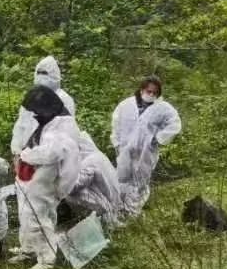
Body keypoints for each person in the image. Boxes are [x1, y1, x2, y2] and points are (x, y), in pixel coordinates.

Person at [12, 86, 81, 269]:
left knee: (37, 214)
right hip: (37, 171)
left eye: (37, 109)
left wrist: (25, 154)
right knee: (26, 211)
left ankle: (46, 259)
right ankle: (29, 248)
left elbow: (51, 153)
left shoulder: (64, 124)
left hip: (51, 173)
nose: (35, 113)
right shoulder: (47, 118)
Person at [111, 76, 182, 216]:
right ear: (142, 89)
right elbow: (116, 124)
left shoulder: (163, 108)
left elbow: (175, 124)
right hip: (125, 150)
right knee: (120, 179)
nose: (151, 94)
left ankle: (131, 213)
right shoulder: (126, 105)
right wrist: (116, 143)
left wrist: (159, 138)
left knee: (140, 184)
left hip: (146, 153)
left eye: (155, 92)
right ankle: (117, 210)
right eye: (149, 91)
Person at [11, 56, 75, 156]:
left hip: (51, 154)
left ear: (54, 75)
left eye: (45, 73)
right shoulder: (33, 97)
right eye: (39, 73)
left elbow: (66, 130)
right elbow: (20, 125)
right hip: (26, 154)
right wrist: (16, 147)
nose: (41, 77)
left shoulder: (64, 99)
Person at [66, 131, 123, 227]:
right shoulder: (98, 156)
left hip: (108, 212)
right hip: (115, 205)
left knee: (69, 195)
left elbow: (73, 186)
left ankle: (95, 222)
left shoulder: (89, 162)